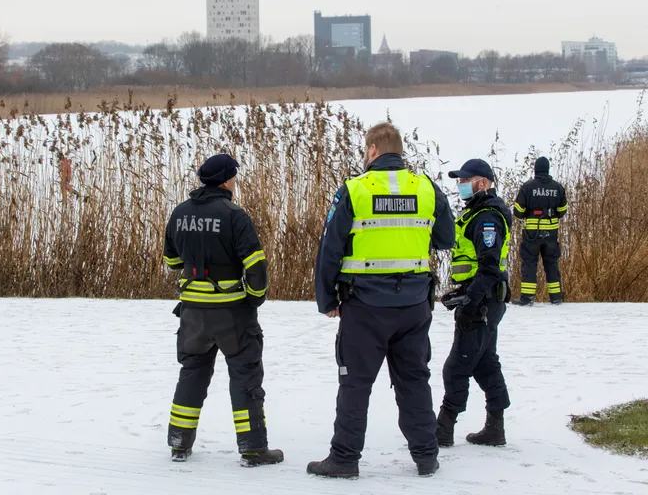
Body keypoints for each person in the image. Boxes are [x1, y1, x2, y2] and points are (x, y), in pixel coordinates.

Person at [307, 122, 455, 478]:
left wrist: (326, 299)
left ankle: (344, 458)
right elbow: (447, 237)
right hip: (414, 305)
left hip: (364, 306)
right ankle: (426, 455)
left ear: (373, 150)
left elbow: (330, 249)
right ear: (399, 151)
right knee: (414, 379)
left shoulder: (354, 190)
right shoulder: (426, 188)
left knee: (355, 382)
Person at [162, 153, 283, 467]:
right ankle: (254, 449)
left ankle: (179, 443)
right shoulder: (234, 215)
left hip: (192, 312)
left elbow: (172, 262)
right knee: (245, 377)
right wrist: (254, 298)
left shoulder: (179, 213)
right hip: (231, 313)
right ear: (228, 180)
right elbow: (255, 266)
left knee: (192, 374)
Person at [436, 159, 512, 448]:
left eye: (465, 180)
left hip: (482, 301)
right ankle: (496, 427)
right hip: (486, 298)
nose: (460, 185)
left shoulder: (487, 218)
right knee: (484, 363)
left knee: (457, 366)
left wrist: (471, 302)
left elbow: (489, 266)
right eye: (459, 181)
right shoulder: (477, 214)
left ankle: (443, 428)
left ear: (483, 182)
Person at [511, 156, 568, 306]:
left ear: (535, 169)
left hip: (531, 234)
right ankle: (556, 298)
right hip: (551, 234)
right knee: (552, 264)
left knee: (529, 263)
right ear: (548, 169)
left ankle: (527, 299)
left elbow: (518, 211)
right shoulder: (558, 187)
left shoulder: (528, 187)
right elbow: (562, 210)